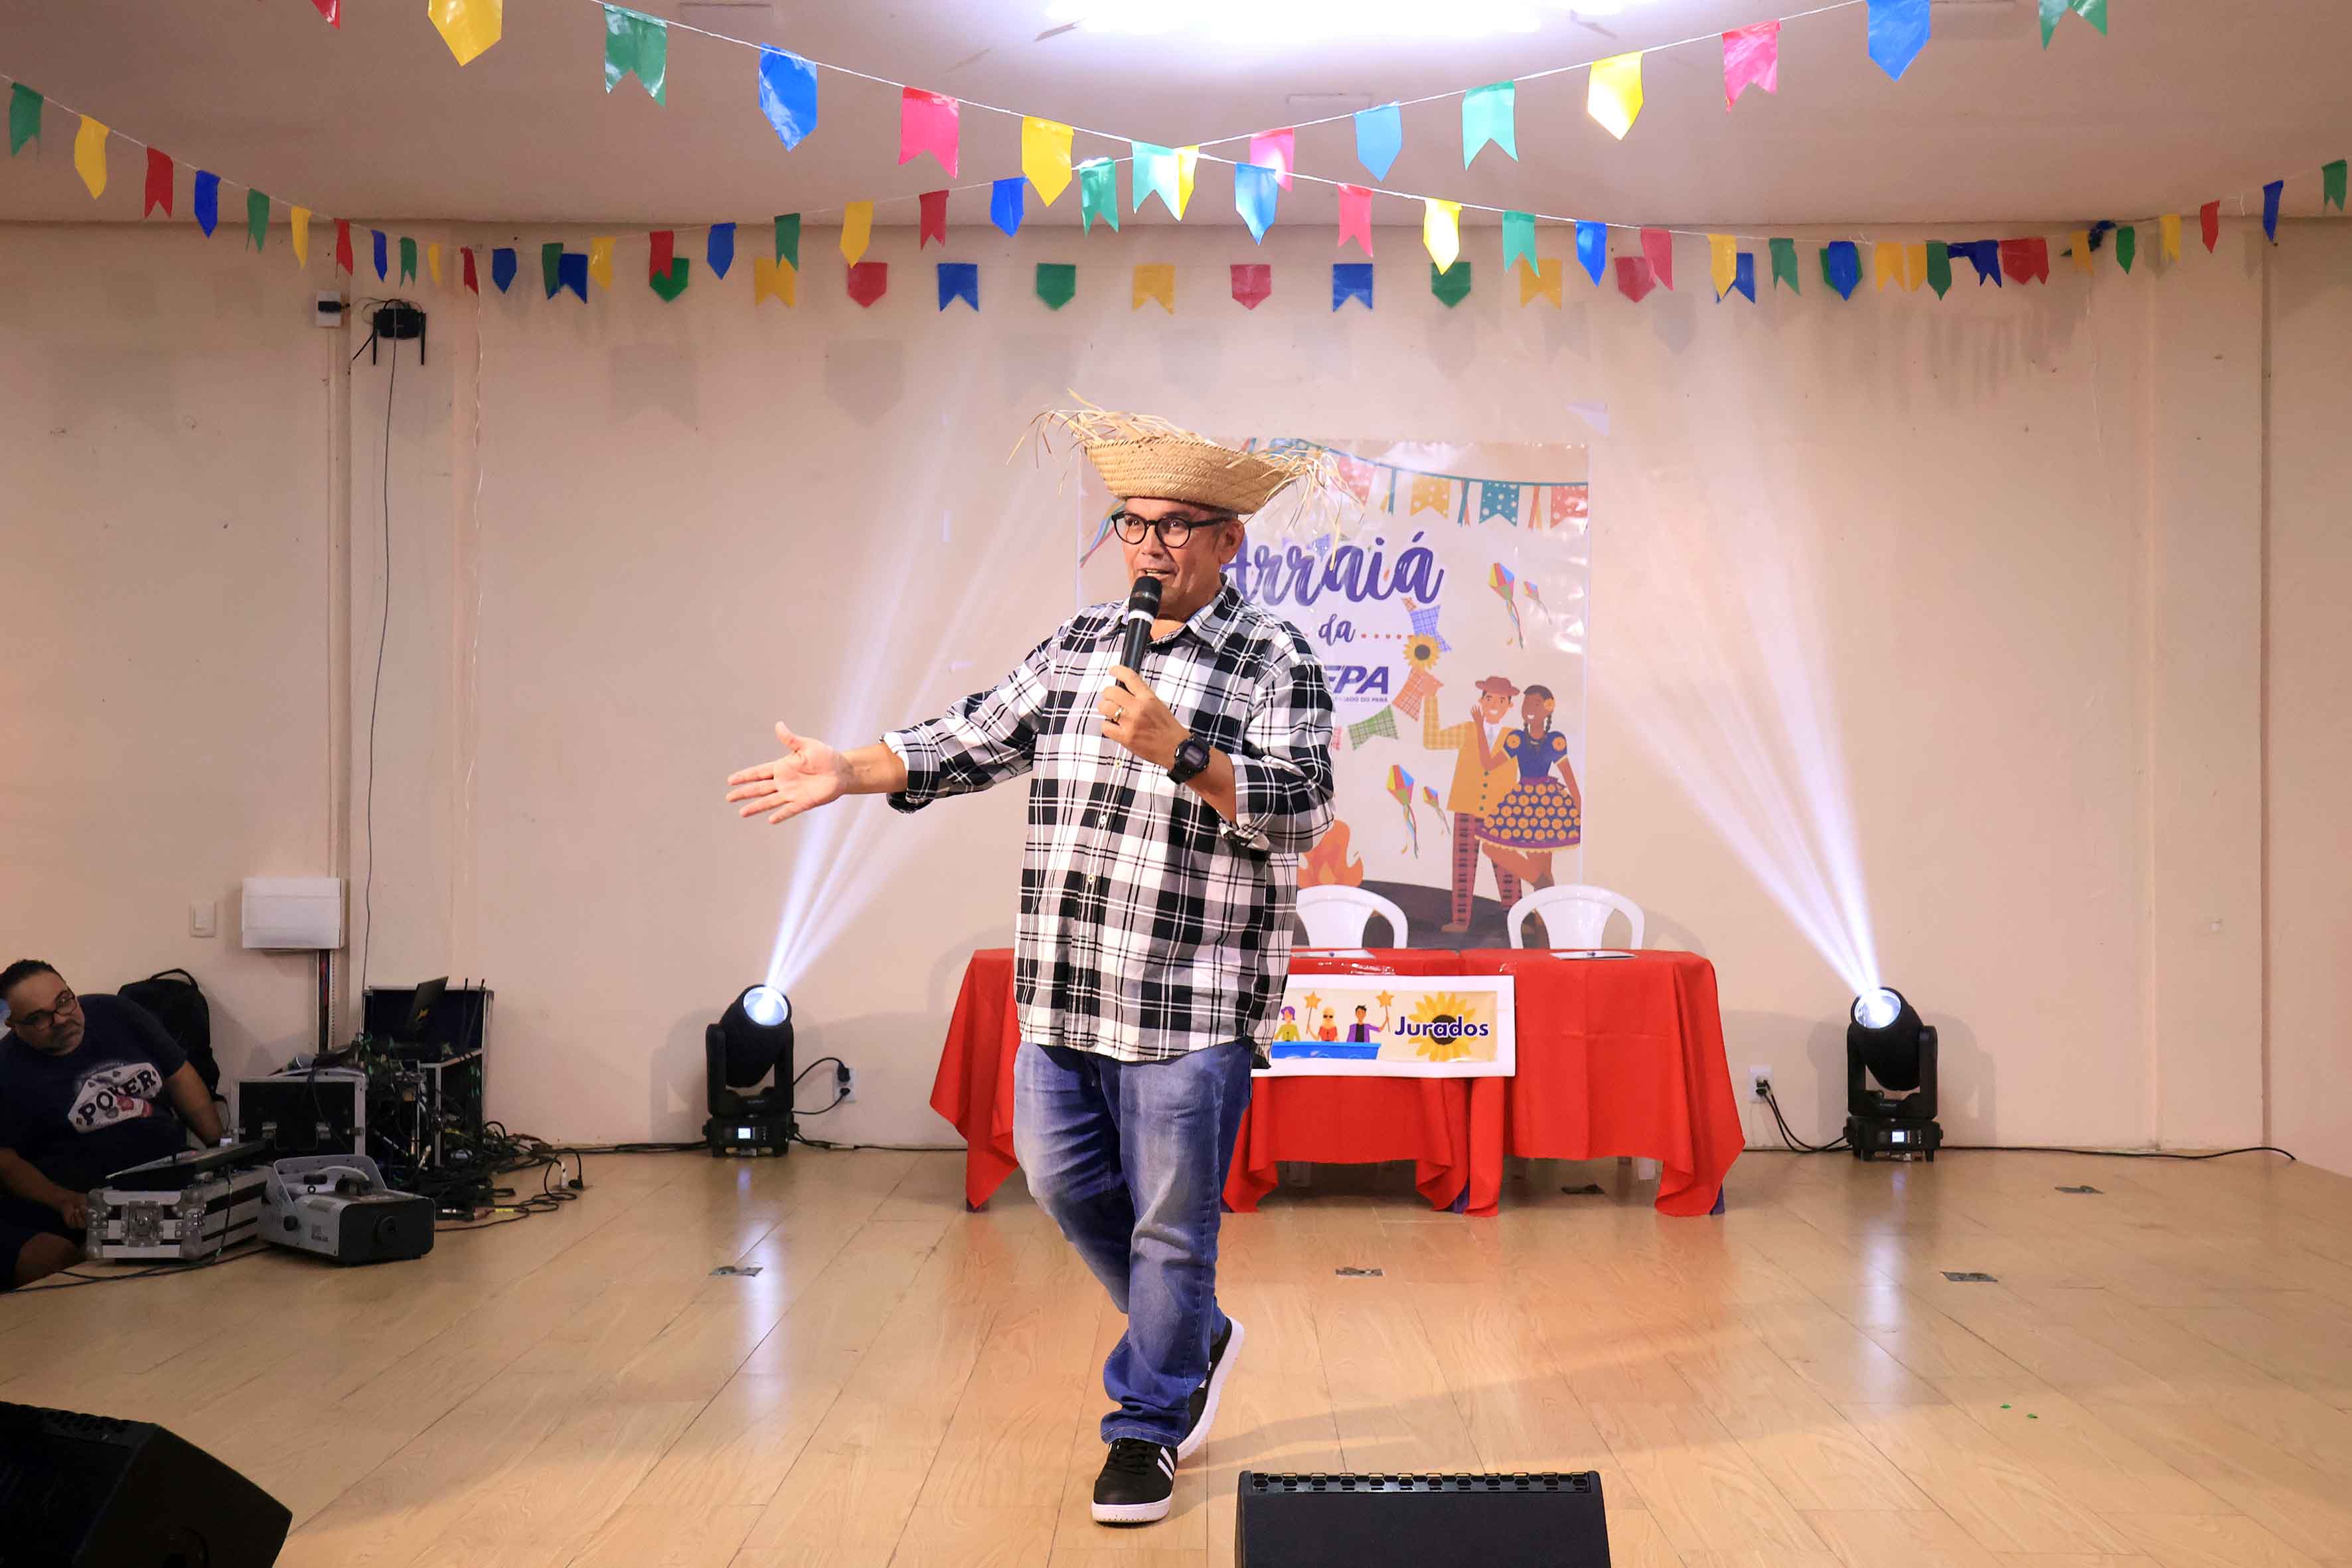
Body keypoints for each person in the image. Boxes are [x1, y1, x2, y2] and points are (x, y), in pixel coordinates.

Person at [726, 411, 1335, 1527]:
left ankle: (1147, 1424)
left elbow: (1301, 808)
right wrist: (849, 768)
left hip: (1189, 996)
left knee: (1170, 1228)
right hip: (1064, 988)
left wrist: (1182, 751)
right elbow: (971, 737)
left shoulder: (1272, 656)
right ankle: (1193, 1337)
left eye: (1175, 526)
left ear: (1228, 540)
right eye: (1132, 524)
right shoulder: (1080, 644)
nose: (1149, 546)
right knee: (1058, 1182)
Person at [0, 961, 224, 1289]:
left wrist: (221, 1151)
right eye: (38, 1018)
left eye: (64, 1000)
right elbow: (6, 1161)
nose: (60, 1019)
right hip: (87, 1203)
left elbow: (180, 1077)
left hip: (169, 1177)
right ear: (13, 1024)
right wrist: (62, 1199)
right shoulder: (7, 1069)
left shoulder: (118, 1013)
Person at [1423, 674, 1525, 933]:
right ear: (1481, 701)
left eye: (1501, 700)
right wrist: (1431, 698)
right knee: (1463, 866)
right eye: (1489, 698)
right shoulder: (1467, 730)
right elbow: (1432, 740)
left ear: (1510, 705)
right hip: (1467, 807)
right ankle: (1460, 921)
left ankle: (1518, 920)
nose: (1494, 704)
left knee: (1507, 867)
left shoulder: (1515, 737)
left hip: (1502, 812)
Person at [1480, 684, 1583, 891]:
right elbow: (1489, 764)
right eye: (1526, 703)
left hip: (1548, 805)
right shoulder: (1517, 739)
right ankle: (1544, 887)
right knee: (1491, 847)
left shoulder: (1555, 741)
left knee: (1543, 869)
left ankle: (1543, 902)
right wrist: (1478, 727)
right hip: (1522, 802)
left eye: (1536, 704)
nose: (1529, 709)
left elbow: (1569, 778)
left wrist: (1581, 813)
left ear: (1548, 708)